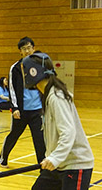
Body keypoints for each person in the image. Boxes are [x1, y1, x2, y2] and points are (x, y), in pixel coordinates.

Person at [21, 52, 94, 190]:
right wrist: (51, 157)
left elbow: (68, 132)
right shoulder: (48, 95)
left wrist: (54, 158)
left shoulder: (56, 96)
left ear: (33, 71)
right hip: (59, 165)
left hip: (75, 165)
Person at [0, 37, 46, 168]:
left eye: (29, 48)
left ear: (34, 48)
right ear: (20, 51)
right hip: (21, 111)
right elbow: (12, 89)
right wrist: (15, 108)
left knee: (39, 138)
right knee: (14, 134)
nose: (27, 51)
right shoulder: (15, 68)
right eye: (24, 49)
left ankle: (42, 165)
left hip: (37, 110)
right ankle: (3, 157)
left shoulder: (41, 66)